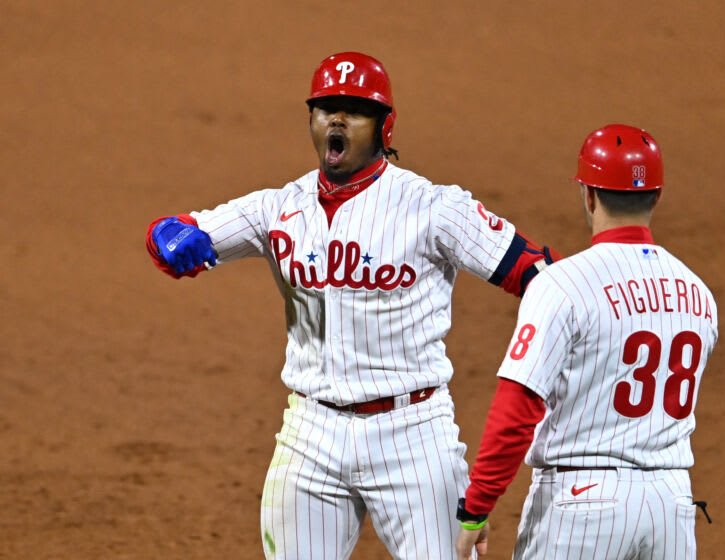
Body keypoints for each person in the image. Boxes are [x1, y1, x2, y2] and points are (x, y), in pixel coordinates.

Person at [145, 51, 559, 559]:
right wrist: (168, 237)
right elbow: (176, 234)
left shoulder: (432, 207)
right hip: (310, 434)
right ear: (311, 121)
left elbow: (543, 277)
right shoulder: (278, 208)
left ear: (385, 127)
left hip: (413, 433)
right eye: (326, 108)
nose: (337, 119)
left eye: (355, 109)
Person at [455, 124, 718, 560]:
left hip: (583, 504)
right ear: (657, 196)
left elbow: (518, 407)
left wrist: (476, 508)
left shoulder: (562, 284)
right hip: (672, 503)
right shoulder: (699, 295)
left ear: (589, 195)